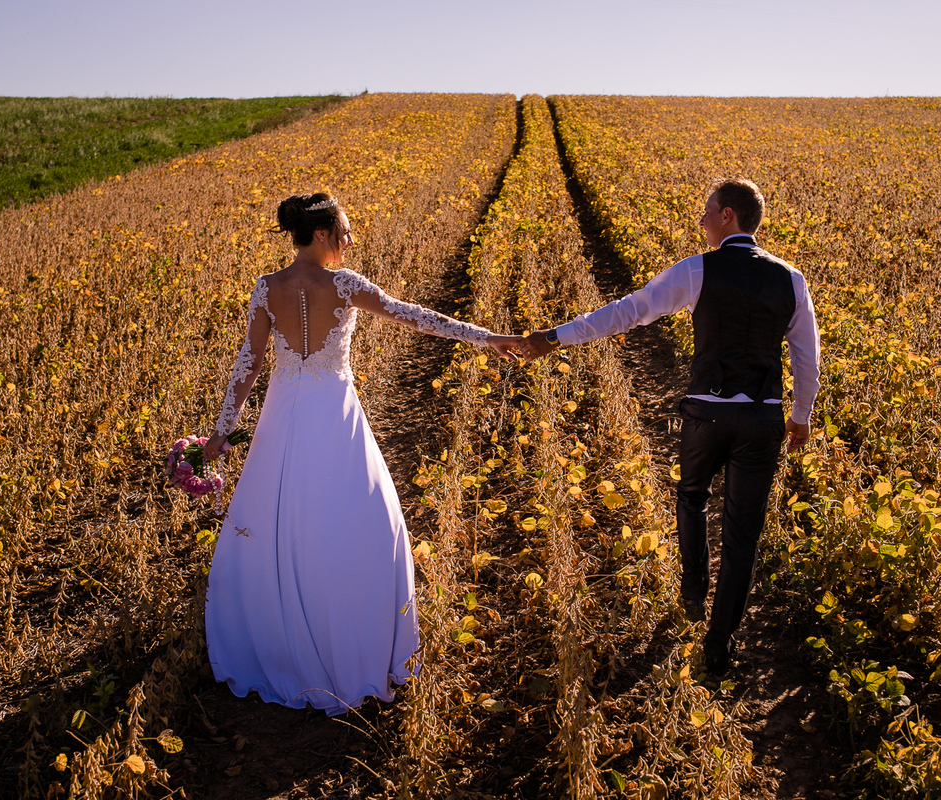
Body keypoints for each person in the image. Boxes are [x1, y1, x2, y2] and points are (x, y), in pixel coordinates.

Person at [201, 192, 523, 714]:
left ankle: (281, 640)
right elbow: (415, 317)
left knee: (280, 521)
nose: (351, 242)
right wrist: (487, 337)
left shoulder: (267, 288)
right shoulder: (344, 286)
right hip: (334, 415)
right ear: (323, 234)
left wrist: (222, 432)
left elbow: (248, 366)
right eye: (345, 232)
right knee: (363, 521)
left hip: (282, 417)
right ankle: (348, 641)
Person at [518, 178, 820, 676]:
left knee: (692, 497)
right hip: (762, 418)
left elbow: (629, 312)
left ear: (728, 216)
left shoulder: (699, 269)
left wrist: (555, 337)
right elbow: (807, 360)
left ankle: (694, 590)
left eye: (708, 212)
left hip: (706, 413)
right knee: (743, 534)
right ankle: (719, 644)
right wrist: (800, 417)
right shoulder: (791, 279)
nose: (701, 221)